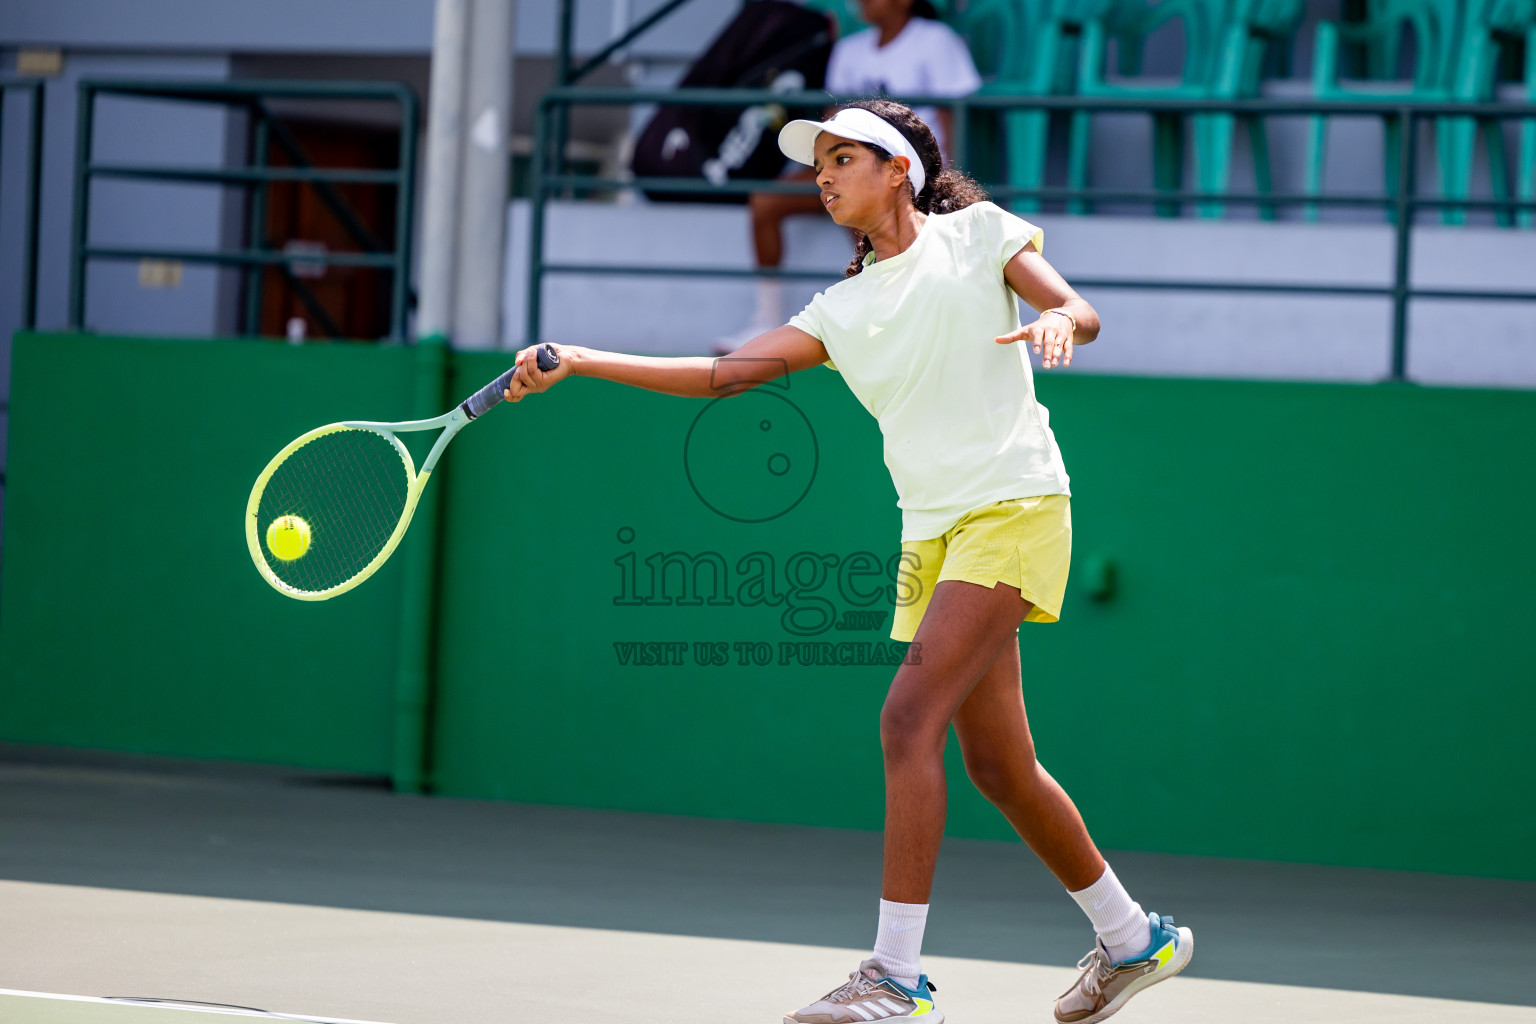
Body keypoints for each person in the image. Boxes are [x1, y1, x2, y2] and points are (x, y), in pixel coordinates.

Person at [501, 100, 1194, 1024]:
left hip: (1017, 503)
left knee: (907, 719)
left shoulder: (979, 235)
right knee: (997, 765)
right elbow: (723, 376)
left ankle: (895, 980)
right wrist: (582, 358)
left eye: (840, 158)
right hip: (931, 532)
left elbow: (1076, 307)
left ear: (898, 168)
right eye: (815, 163)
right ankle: (1133, 939)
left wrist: (1064, 320)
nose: (820, 176)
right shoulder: (841, 308)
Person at [715, 0, 982, 353]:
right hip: (856, 172)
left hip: (910, 176)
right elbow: (831, 124)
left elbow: (954, 118)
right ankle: (766, 320)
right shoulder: (849, 49)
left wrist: (941, 182)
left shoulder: (937, 40)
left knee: (867, 207)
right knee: (766, 202)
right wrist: (836, 171)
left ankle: (900, 321)